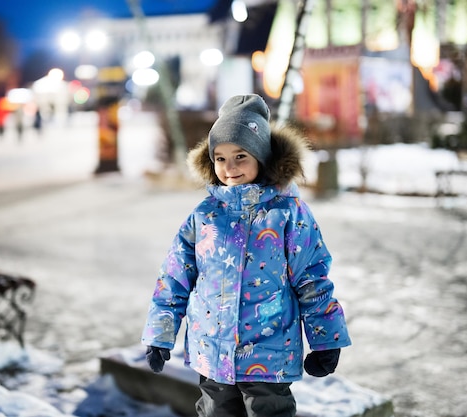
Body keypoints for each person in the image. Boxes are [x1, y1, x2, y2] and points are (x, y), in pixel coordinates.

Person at [141, 94, 351, 417]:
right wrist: (160, 332)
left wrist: (326, 338)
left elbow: (312, 277)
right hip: (211, 351)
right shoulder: (205, 214)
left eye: (241, 156)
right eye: (221, 158)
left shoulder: (286, 213)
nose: (230, 168)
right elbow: (174, 276)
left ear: (262, 157)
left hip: (268, 353)